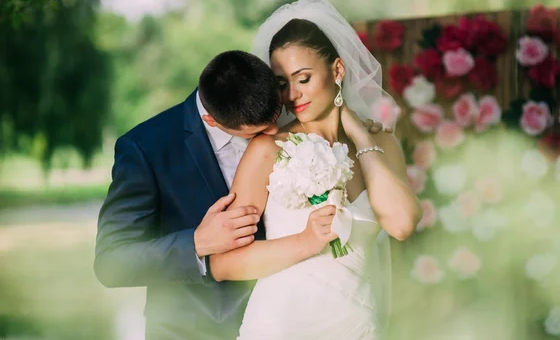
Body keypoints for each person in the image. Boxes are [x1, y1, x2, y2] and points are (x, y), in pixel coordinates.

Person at [94, 48, 387, 339]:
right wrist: (196, 242)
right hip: (195, 330)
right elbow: (111, 263)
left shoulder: (269, 108)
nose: (274, 132)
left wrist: (357, 131)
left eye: (276, 118)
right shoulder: (146, 148)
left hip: (294, 317)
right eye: (258, 130)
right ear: (212, 120)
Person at [208, 0, 422, 340]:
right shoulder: (268, 150)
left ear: (337, 70)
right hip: (282, 325)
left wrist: (357, 134)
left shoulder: (381, 146)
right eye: (281, 83)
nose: (292, 95)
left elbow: (401, 225)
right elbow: (223, 264)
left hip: (357, 326)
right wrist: (307, 241)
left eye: (303, 78)